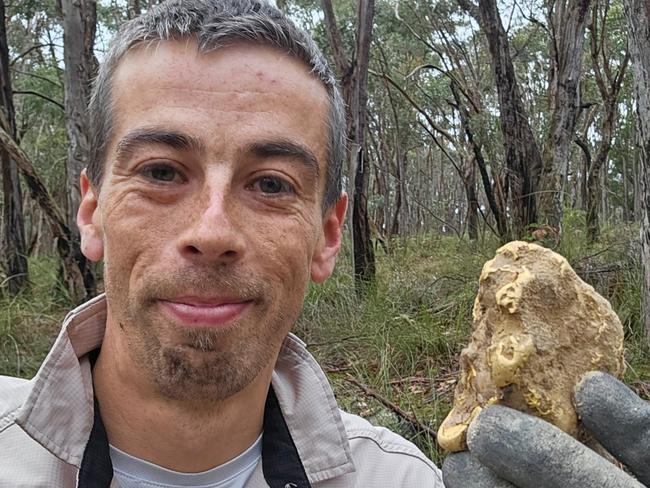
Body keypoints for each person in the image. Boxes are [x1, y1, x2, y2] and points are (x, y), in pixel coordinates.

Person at [0, 1, 648, 487]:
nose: (212, 233)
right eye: (162, 172)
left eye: (272, 183)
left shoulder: (402, 481)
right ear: (91, 211)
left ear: (328, 235)